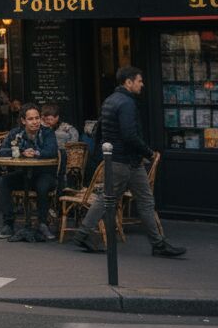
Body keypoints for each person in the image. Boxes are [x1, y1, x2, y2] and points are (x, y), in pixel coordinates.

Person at [74, 66, 185, 257]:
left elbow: (100, 130)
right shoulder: (127, 103)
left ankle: (158, 243)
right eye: (139, 81)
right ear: (129, 82)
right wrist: (149, 152)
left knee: (142, 200)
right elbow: (129, 135)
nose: (142, 85)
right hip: (124, 160)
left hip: (121, 159)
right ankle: (83, 234)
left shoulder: (110, 100)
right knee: (111, 198)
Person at [0, 104, 59, 240]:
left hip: (44, 174)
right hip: (24, 174)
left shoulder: (47, 133)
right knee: (3, 181)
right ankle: (8, 224)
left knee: (42, 185)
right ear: (23, 121)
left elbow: (51, 151)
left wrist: (35, 152)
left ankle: (42, 224)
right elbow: (0, 151)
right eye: (31, 119)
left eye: (37, 118)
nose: (35, 122)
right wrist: (21, 152)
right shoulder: (16, 133)